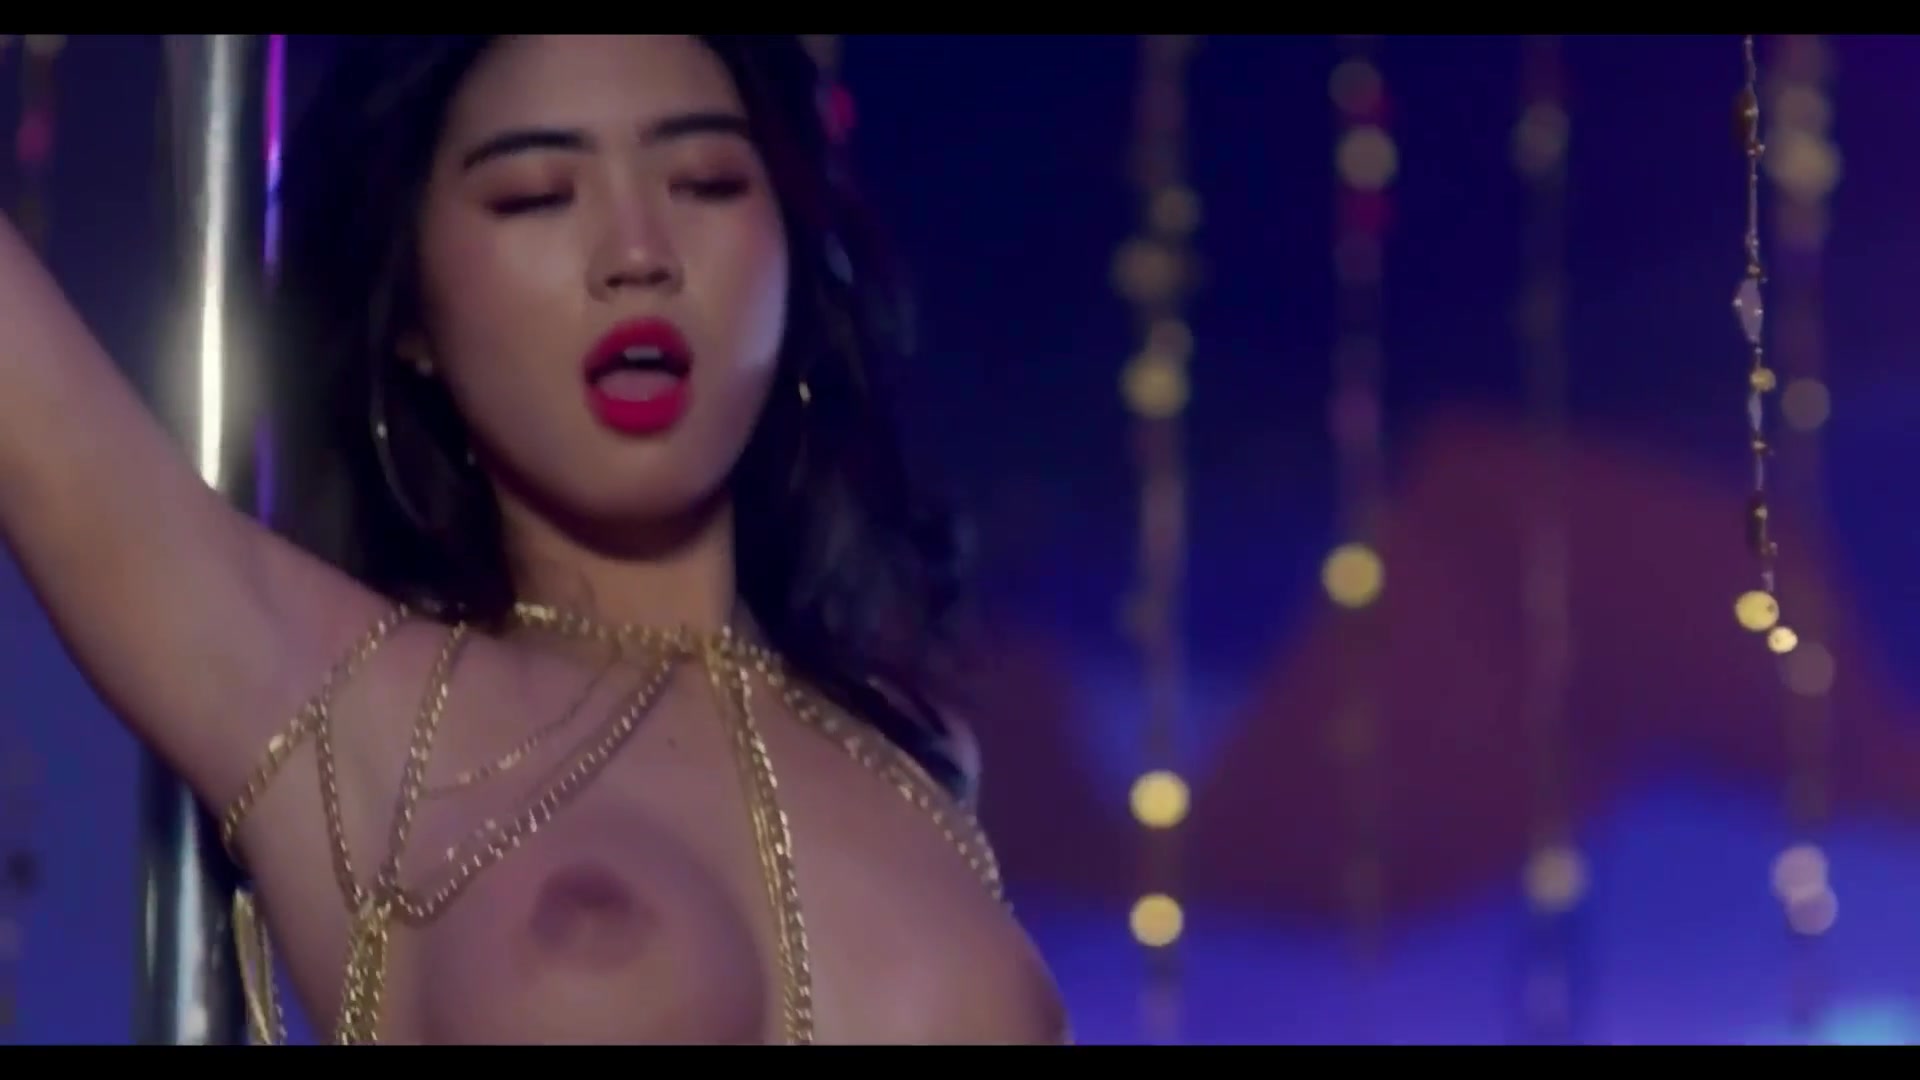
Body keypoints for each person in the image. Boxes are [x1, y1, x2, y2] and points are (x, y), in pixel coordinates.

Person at [0, 34, 1067, 1044]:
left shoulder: (916, 761)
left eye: (706, 183)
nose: (638, 255)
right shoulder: (341, 702)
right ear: (411, 314)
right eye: (537, 196)